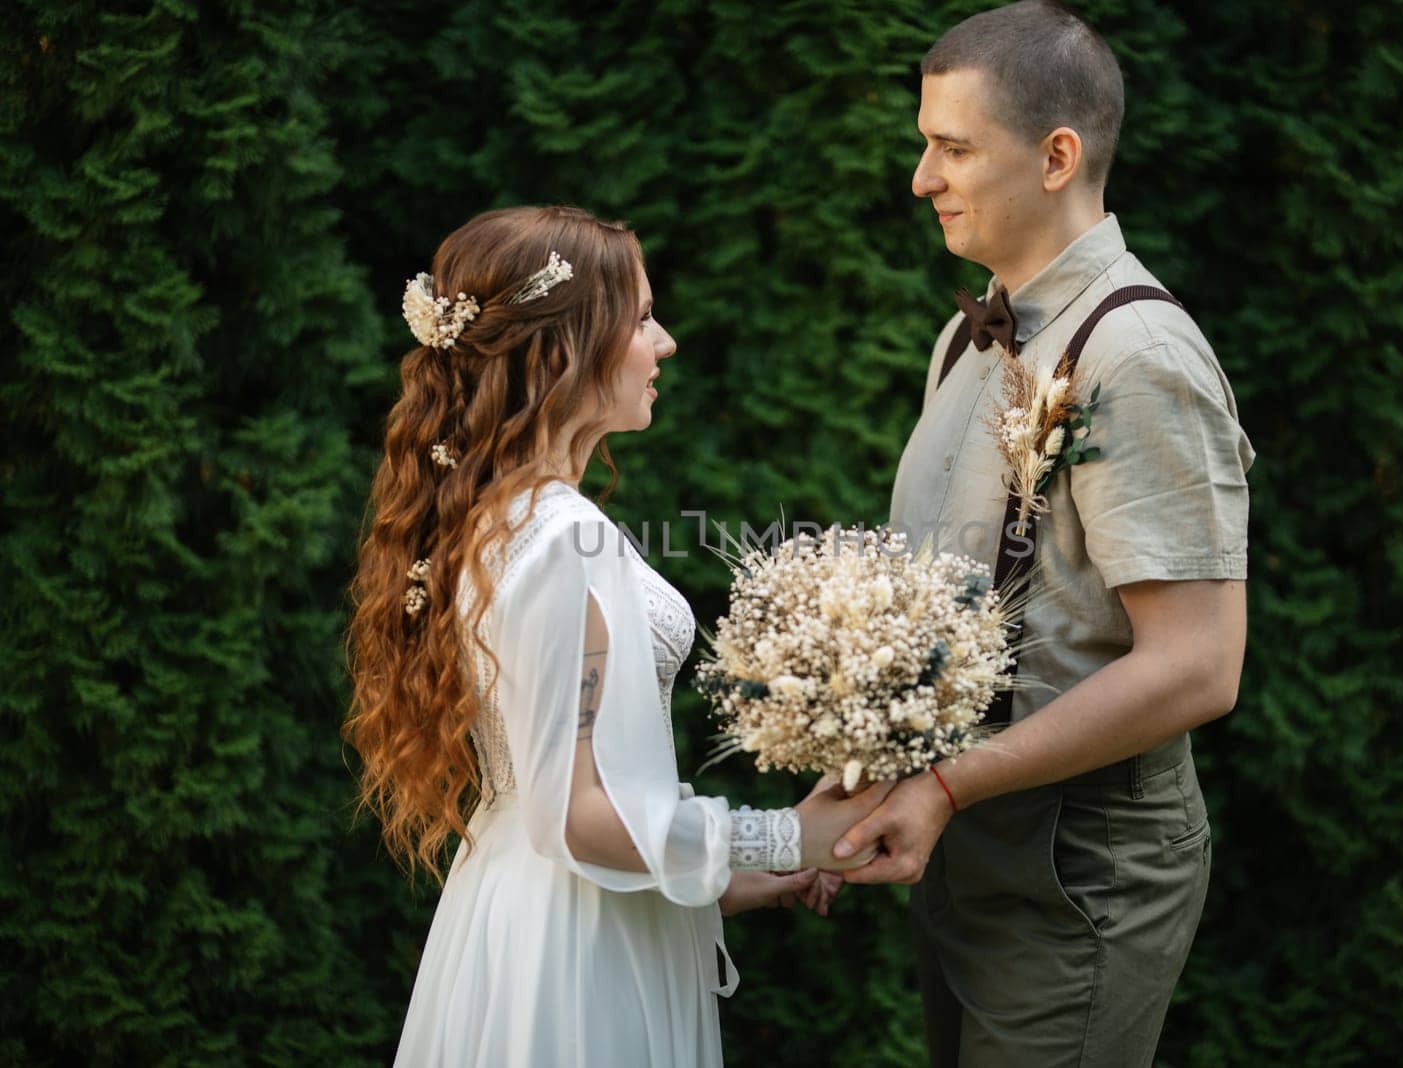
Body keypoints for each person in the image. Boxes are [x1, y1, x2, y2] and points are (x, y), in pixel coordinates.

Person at [343, 205, 885, 1067]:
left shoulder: (504, 521)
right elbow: (581, 818)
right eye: (639, 320)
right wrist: (790, 836)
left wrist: (745, 877)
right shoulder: (558, 537)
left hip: (545, 912)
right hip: (574, 952)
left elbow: (572, 803)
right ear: (563, 352)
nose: (663, 342)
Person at [831, 3, 1255, 1066]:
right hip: (969, 843)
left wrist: (943, 786)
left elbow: (1196, 668)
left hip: (1081, 871)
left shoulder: (1139, 354)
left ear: (1057, 155)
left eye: (953, 147)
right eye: (924, 144)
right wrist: (871, 766)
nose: (921, 178)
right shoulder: (966, 335)